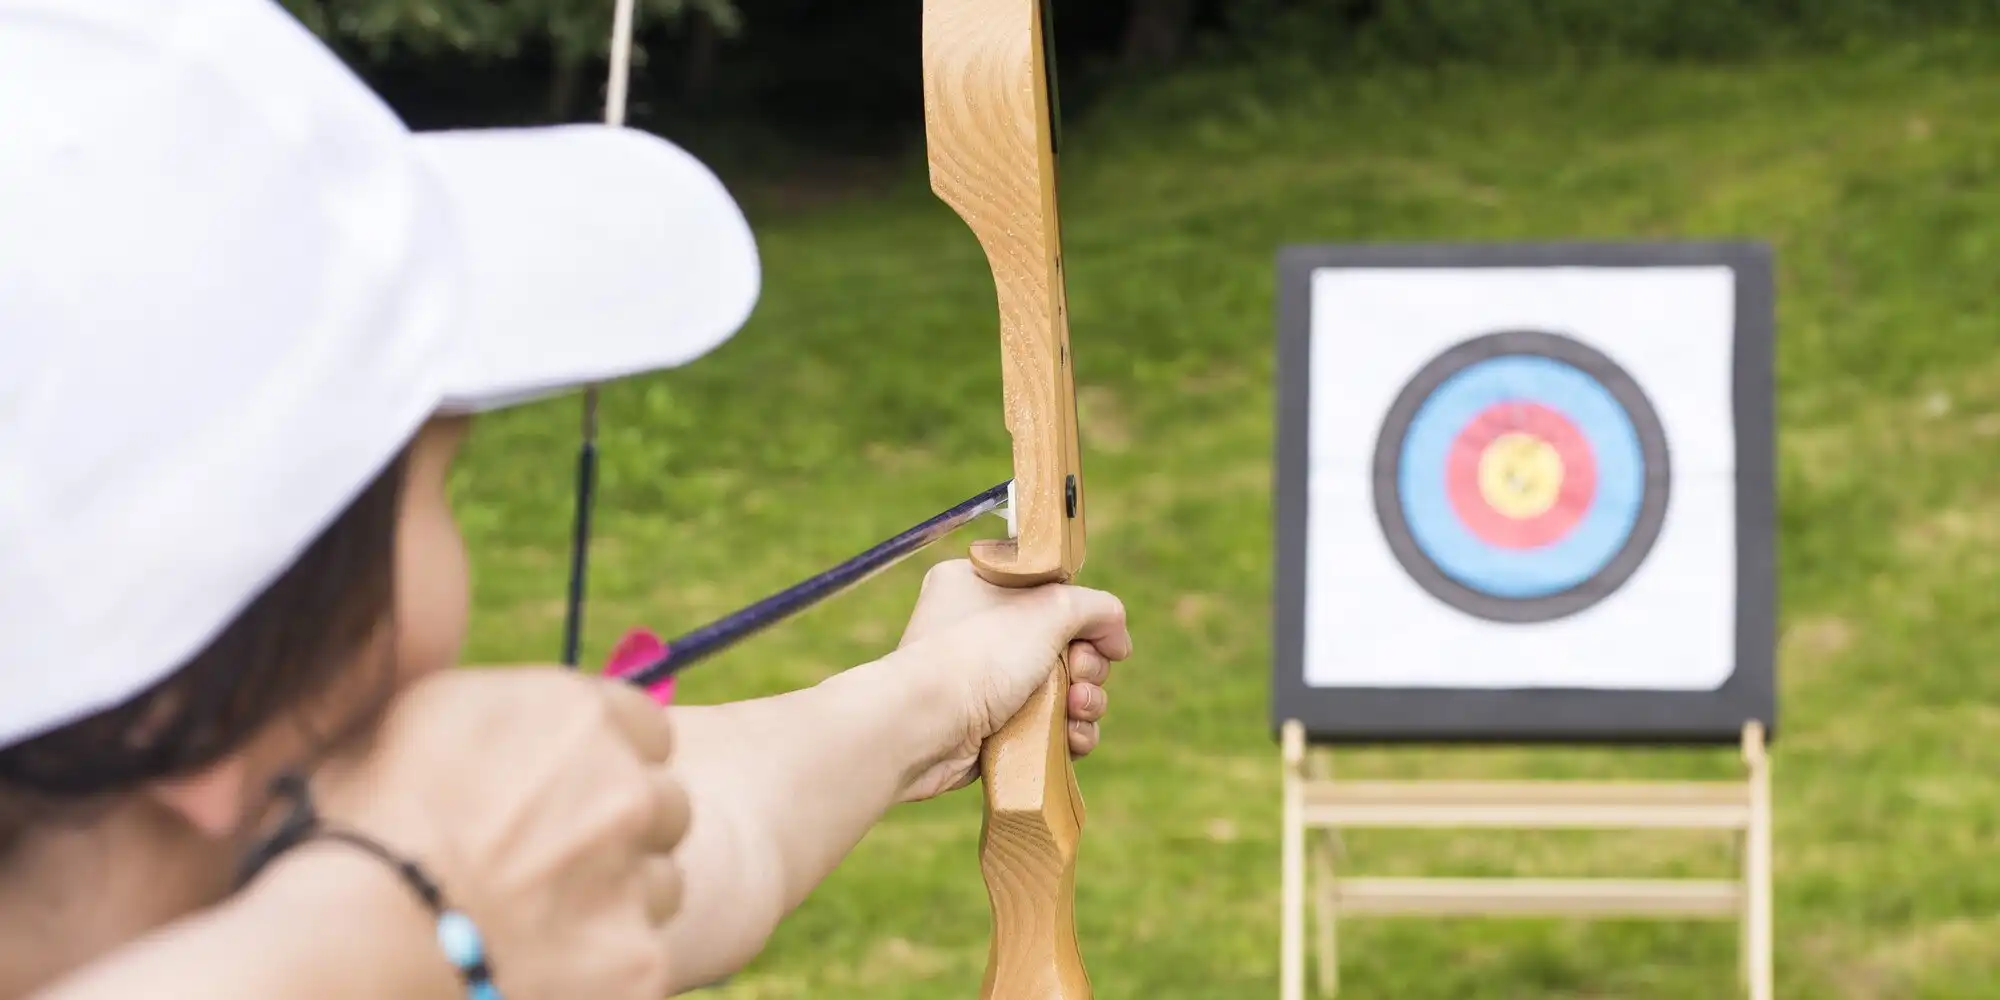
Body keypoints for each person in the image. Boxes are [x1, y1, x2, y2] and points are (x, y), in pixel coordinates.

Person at [0, 2, 1133, 999]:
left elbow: (663, 847)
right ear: (193, 699)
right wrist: (414, 937)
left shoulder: (304, 895)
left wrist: (934, 695)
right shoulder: (375, 933)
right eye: (434, 482)